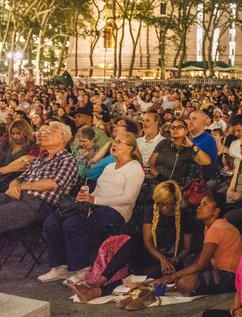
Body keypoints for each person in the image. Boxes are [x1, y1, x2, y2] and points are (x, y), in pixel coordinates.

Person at [39, 131, 145, 283]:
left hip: (117, 211)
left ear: (130, 148)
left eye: (120, 141)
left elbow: (128, 198)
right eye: (114, 140)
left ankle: (81, 268)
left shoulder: (134, 168)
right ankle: (60, 266)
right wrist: (85, 198)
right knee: (53, 221)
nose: (114, 143)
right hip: (96, 205)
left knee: (73, 224)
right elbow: (98, 190)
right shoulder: (109, 166)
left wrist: (94, 200)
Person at [68, 180, 195, 301]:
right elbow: (147, 241)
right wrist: (161, 258)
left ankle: (98, 291)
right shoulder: (151, 210)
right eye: (161, 203)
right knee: (131, 242)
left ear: (176, 201)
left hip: (172, 260)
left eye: (169, 203)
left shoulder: (185, 215)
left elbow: (187, 247)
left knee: (149, 274)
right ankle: (99, 281)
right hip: (153, 254)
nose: (165, 208)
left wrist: (175, 259)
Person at [154, 193, 242, 294]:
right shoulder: (209, 226)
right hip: (217, 267)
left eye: (205, 204)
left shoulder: (217, 228)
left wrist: (173, 276)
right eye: (200, 204)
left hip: (232, 276)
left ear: (215, 212)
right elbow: (203, 255)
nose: (199, 207)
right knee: (190, 260)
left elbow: (202, 264)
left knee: (185, 283)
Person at [0, 121, 78, 234]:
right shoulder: (40, 158)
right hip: (16, 196)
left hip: (37, 204)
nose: (45, 134)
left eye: (50, 132)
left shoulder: (68, 159)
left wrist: (20, 187)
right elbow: (19, 178)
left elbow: (52, 183)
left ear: (63, 138)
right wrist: (13, 186)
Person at [148, 118, 212, 183]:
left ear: (186, 131)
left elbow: (206, 162)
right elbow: (150, 164)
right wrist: (162, 179)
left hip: (177, 187)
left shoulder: (189, 150)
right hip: (157, 182)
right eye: (172, 127)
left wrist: (192, 145)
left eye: (179, 127)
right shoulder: (163, 143)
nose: (175, 129)